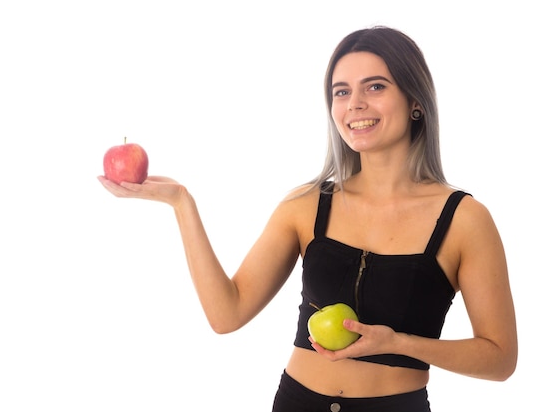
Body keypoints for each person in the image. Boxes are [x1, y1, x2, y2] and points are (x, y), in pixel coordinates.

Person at [99, 26, 517, 412]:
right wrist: (181, 203)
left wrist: (401, 343)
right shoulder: (307, 205)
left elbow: (500, 358)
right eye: (341, 91)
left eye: (375, 86)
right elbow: (227, 315)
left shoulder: (465, 219)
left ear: (415, 103)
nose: (354, 104)